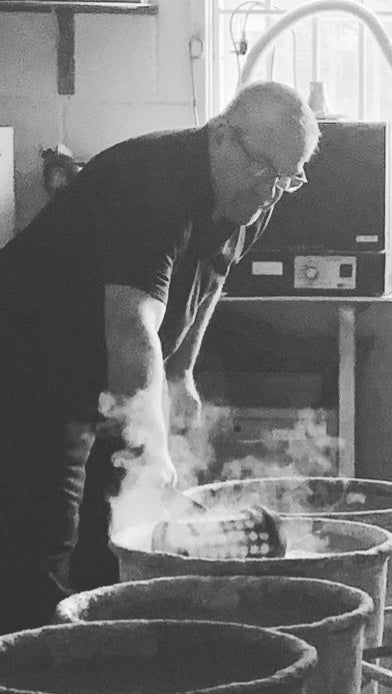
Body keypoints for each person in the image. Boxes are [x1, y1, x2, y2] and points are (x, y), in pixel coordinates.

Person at [0, 81, 320, 634]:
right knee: (44, 546)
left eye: (287, 179)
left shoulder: (252, 195)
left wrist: (183, 370)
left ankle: (107, 683)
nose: (271, 191)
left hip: (101, 369)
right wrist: (152, 444)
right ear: (222, 134)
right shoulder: (151, 182)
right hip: (29, 359)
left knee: (114, 537)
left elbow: (211, 278)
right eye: (264, 170)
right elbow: (132, 326)